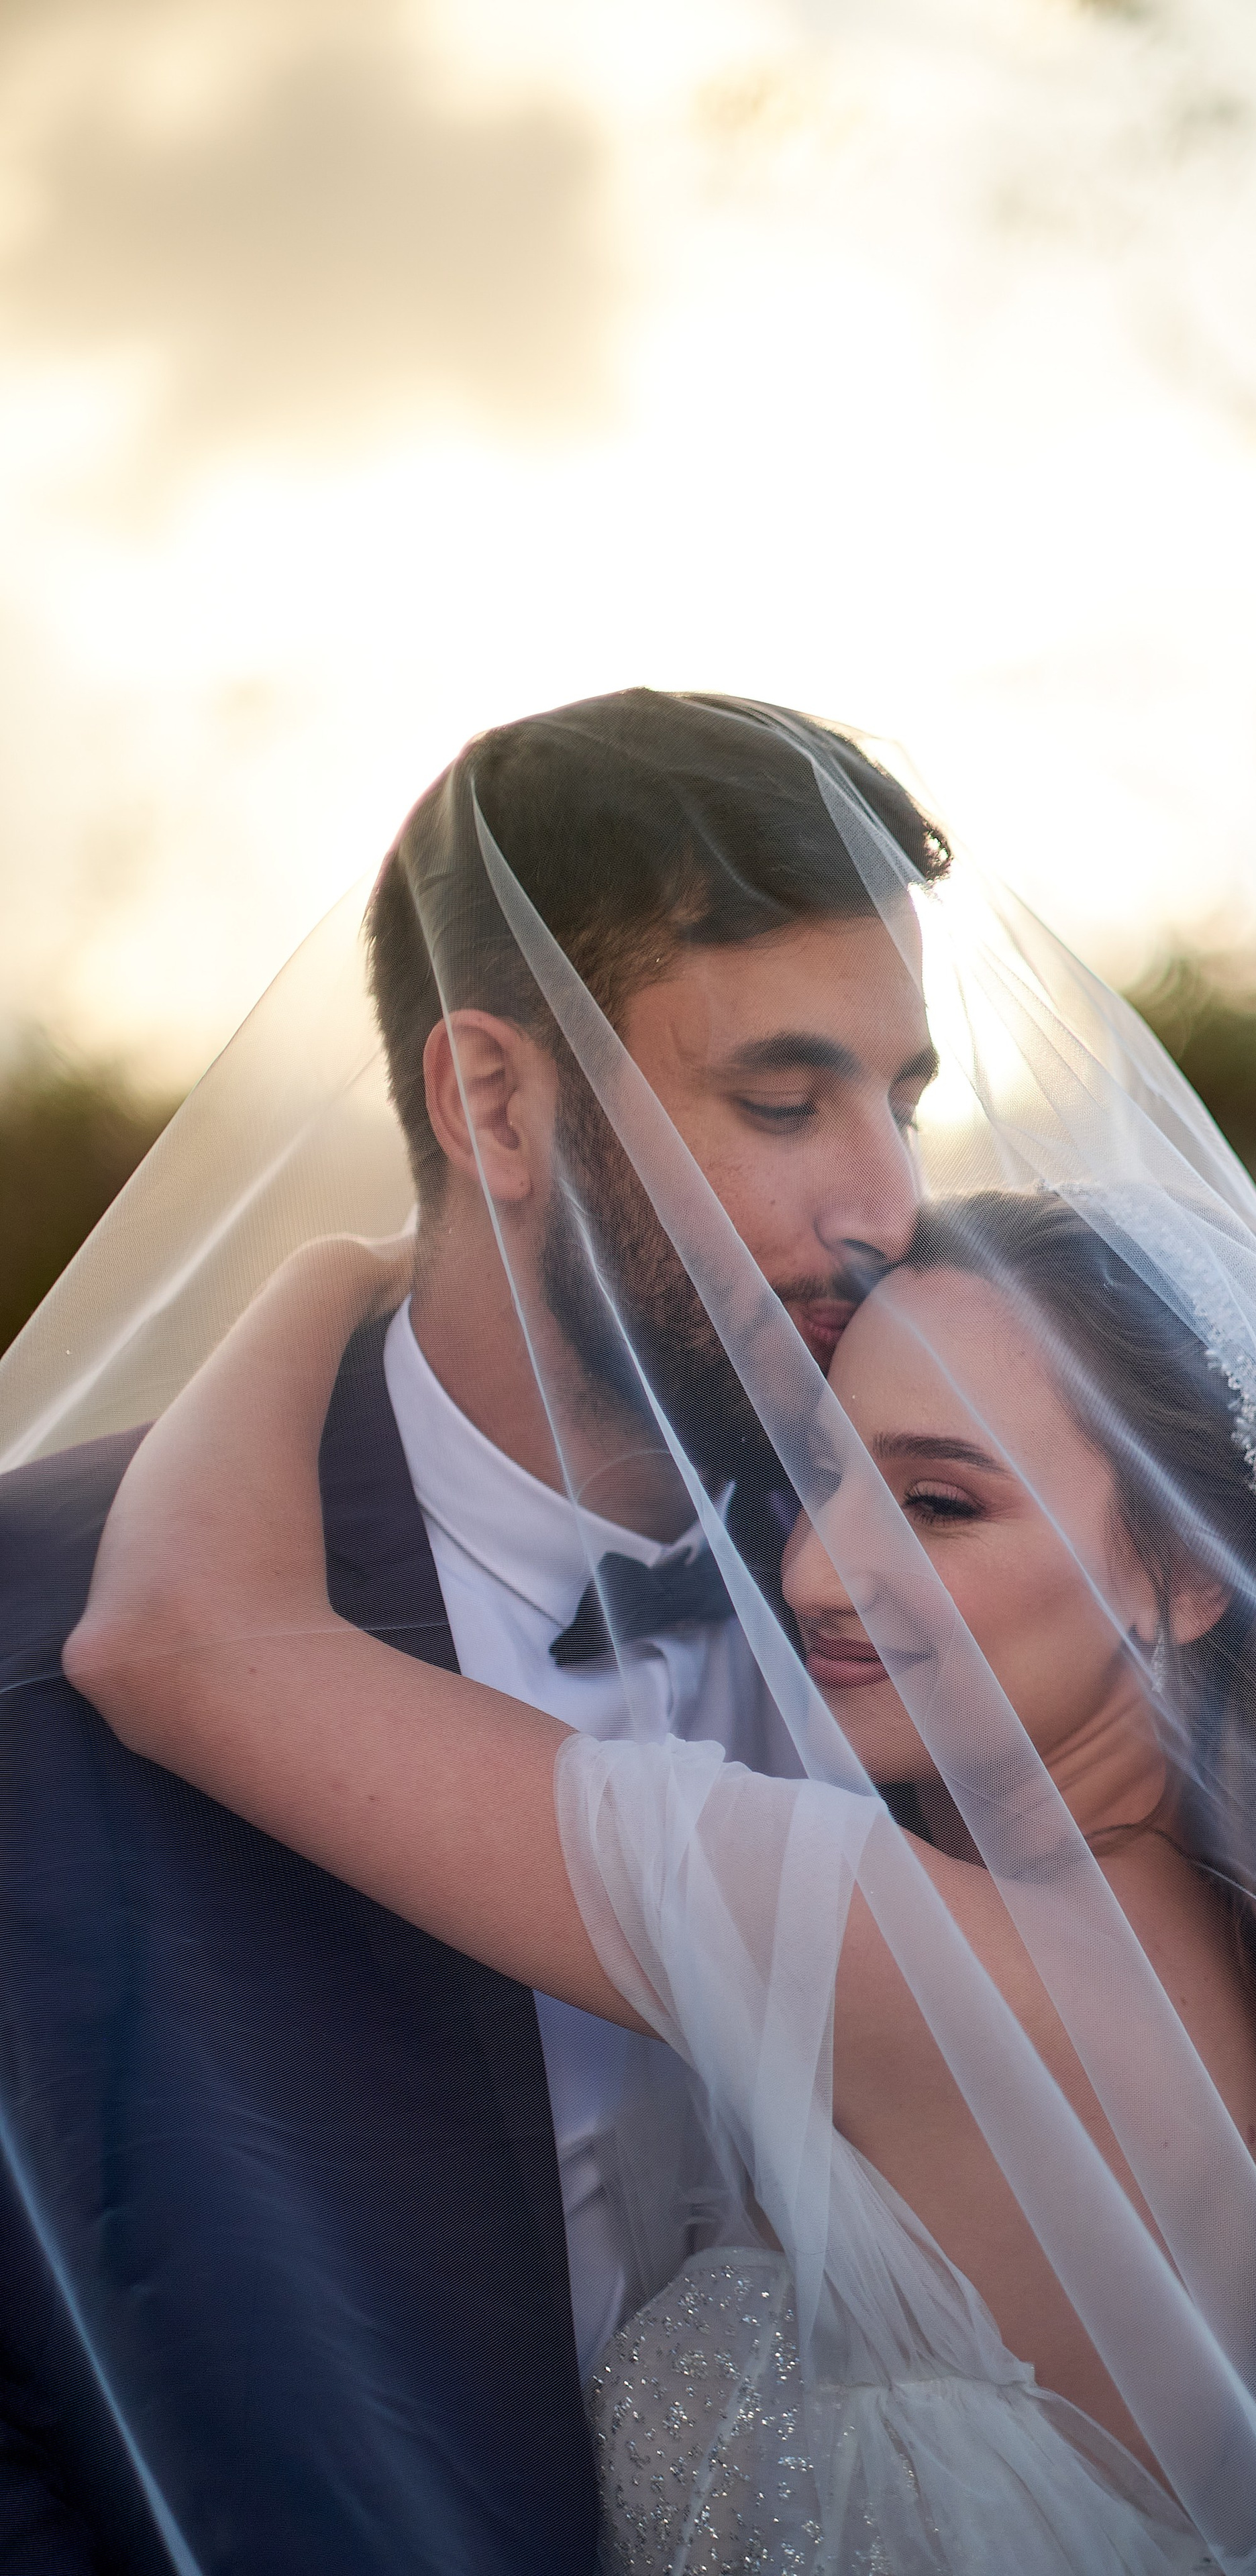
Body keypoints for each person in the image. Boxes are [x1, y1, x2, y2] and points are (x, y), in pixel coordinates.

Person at [66, 1185, 1256, 2572]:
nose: (816, 1574)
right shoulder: (1237, 1946)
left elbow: (176, 1647)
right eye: (812, 1477)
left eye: (940, 1504)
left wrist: (335, 1267)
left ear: (1186, 1576)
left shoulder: (912, 1953)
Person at [0, 690, 947, 2576]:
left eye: (905, 1100)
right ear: (492, 1102)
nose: (890, 1209)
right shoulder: (45, 1637)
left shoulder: (997, 1581)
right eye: (784, 1101)